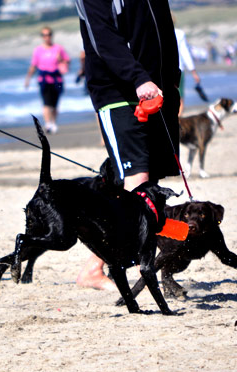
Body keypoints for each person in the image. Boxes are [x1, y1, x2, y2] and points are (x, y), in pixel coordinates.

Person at [73, 0, 181, 292]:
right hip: (118, 91)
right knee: (138, 180)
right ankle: (124, 267)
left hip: (156, 89)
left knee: (150, 181)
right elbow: (103, 38)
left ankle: (95, 266)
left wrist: (172, 81)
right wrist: (138, 78)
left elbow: (163, 31)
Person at [24, 26, 70, 134]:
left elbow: (67, 61)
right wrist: (27, 79)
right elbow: (33, 66)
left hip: (57, 79)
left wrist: (61, 60)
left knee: (55, 104)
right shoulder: (38, 50)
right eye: (44, 35)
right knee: (46, 103)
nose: (47, 37)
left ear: (51, 35)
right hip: (44, 80)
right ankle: (48, 123)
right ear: (42, 37)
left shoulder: (58, 48)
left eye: (48, 34)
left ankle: (53, 122)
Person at [173, 17, 201, 115]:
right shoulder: (179, 34)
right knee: (179, 96)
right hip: (177, 69)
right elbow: (185, 53)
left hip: (162, 69)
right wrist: (194, 72)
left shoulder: (155, 31)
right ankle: (179, 118)